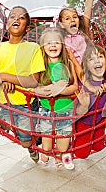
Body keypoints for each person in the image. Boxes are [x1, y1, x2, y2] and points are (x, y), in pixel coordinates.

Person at [0, 6, 45, 163]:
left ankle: (33, 143)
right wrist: (2, 81)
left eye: (21, 18)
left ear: (27, 27)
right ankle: (29, 132)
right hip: (4, 102)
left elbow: (33, 81)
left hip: (25, 104)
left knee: (25, 142)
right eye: (13, 16)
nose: (16, 19)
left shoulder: (33, 48)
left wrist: (5, 77)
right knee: (2, 125)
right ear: (7, 24)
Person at [33, 28, 78, 170]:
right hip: (46, 111)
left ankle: (61, 156)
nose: (53, 45)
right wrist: (47, 91)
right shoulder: (41, 66)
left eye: (56, 42)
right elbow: (35, 89)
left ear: (62, 46)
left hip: (65, 111)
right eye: (48, 43)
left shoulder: (68, 64)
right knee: (46, 147)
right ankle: (46, 154)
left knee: (62, 146)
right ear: (43, 47)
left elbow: (74, 87)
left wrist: (58, 91)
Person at [74, 45, 106, 159]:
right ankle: (71, 141)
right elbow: (78, 112)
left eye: (100, 56)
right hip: (85, 120)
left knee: (99, 146)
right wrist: (84, 104)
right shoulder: (84, 81)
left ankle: (93, 138)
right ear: (86, 65)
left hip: (100, 119)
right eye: (91, 59)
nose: (97, 61)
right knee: (81, 154)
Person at [56, 0, 97, 79]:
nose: (72, 20)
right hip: (73, 74)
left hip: (90, 69)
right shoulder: (63, 40)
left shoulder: (82, 33)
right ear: (61, 24)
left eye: (75, 17)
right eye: (67, 19)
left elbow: (88, 7)